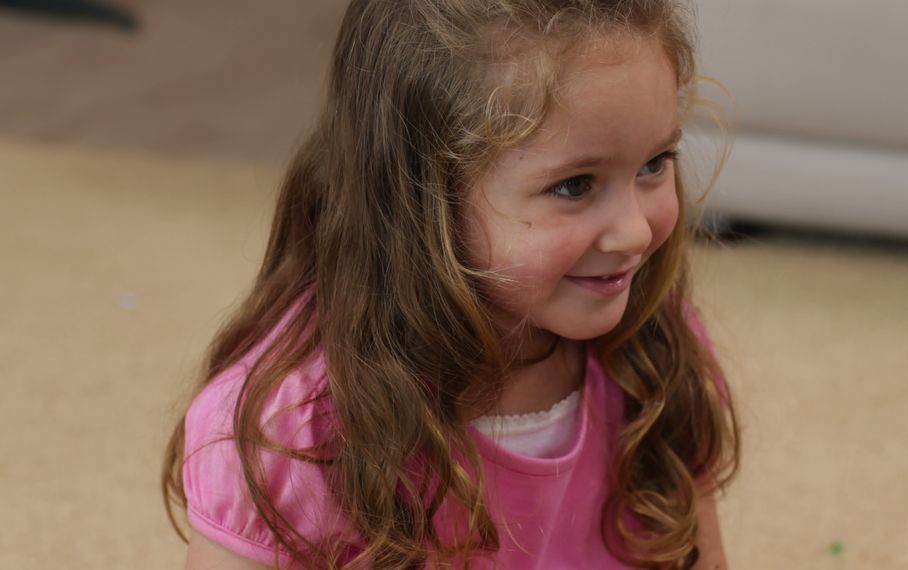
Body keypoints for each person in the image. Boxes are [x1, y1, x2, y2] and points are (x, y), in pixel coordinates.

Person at [161, 0, 741, 568]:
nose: (635, 232)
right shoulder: (288, 428)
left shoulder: (652, 343)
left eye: (653, 164)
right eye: (574, 186)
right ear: (419, 198)